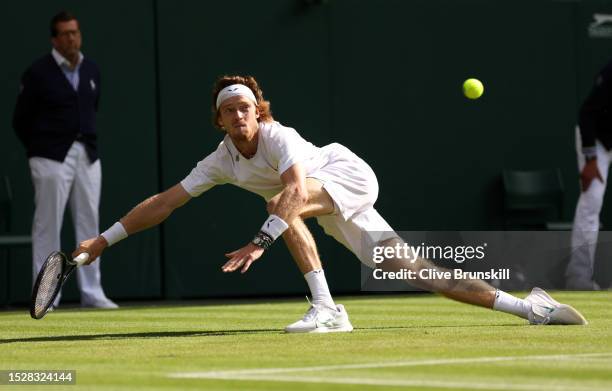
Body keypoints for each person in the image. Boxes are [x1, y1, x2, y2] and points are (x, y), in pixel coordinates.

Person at [74, 75, 585, 331]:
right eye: (228, 111)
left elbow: (294, 191)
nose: (237, 116)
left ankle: (325, 308)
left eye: (244, 108)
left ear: (259, 111)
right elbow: (164, 202)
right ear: (220, 120)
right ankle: (531, 307)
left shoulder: (279, 138)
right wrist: (103, 239)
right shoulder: (221, 161)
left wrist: (260, 242)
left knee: (281, 201)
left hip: (348, 176)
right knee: (420, 273)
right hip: (325, 205)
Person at [12, 11, 117, 309]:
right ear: (54, 39)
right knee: (48, 224)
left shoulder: (92, 70)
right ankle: (48, 296)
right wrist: (40, 150)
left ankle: (92, 292)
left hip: (87, 155)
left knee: (90, 223)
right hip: (49, 156)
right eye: (65, 33)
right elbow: (20, 120)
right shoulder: (38, 73)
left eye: (75, 32)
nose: (72, 38)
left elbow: (92, 108)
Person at [566, 60, 612, 291]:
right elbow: (587, 113)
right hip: (596, 141)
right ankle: (579, 277)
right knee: (591, 202)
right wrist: (591, 159)